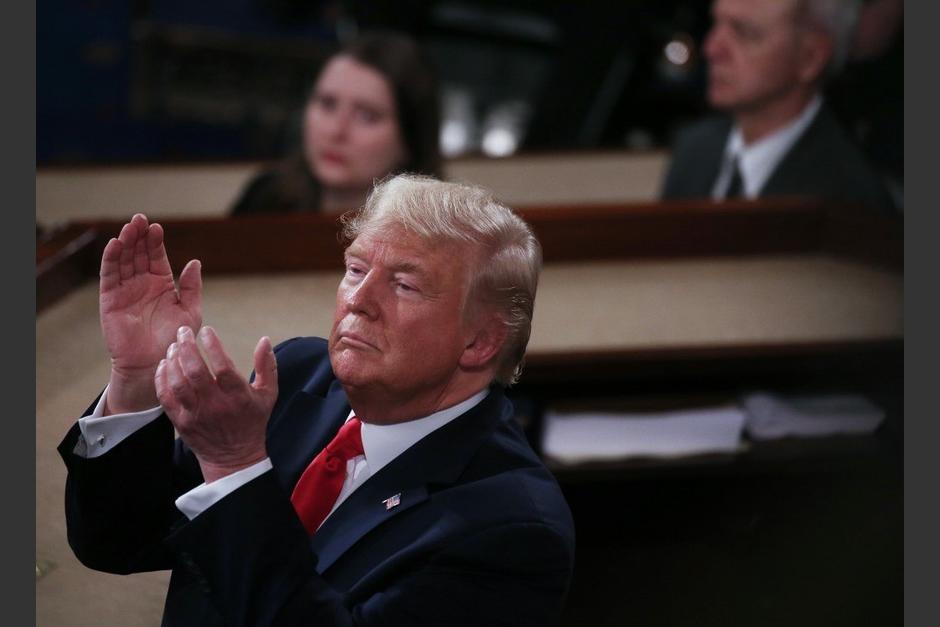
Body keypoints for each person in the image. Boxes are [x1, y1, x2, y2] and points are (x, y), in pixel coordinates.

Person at [59, 174, 575, 626]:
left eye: (404, 285)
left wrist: (235, 467)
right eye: (355, 269)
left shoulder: (513, 527)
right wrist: (137, 376)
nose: (358, 300)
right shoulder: (298, 377)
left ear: (480, 341)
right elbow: (118, 540)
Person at [660, 0, 897, 212]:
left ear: (810, 57)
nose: (712, 49)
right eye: (716, 23)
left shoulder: (848, 199)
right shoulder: (694, 150)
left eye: (744, 33)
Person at [230, 32, 442, 216]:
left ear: (410, 139)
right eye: (328, 104)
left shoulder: (434, 236)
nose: (336, 131)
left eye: (367, 116)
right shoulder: (265, 197)